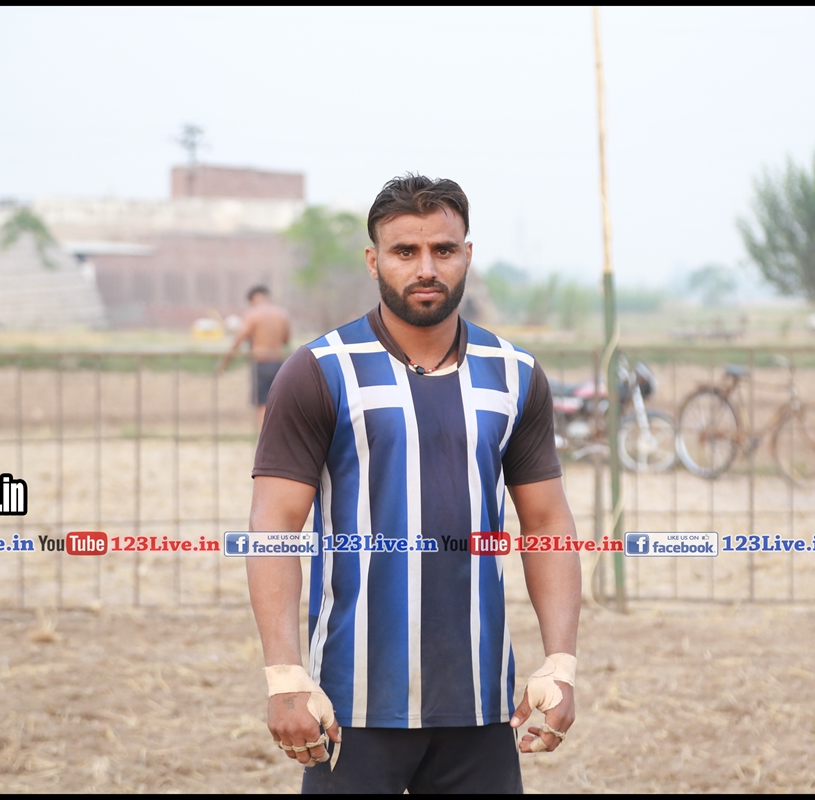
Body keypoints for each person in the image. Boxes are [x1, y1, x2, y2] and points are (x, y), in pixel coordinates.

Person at [245, 174, 582, 794]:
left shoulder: (515, 373)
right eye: (405, 251)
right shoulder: (320, 370)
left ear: (467, 256)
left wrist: (560, 662)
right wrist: (285, 675)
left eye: (443, 250)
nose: (426, 268)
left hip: (481, 704)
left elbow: (546, 522)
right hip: (349, 705)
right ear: (374, 260)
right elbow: (274, 524)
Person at [219, 285, 291, 431]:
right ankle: (278, 434)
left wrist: (225, 362)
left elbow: (239, 339)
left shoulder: (253, 315)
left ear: (252, 299)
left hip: (261, 363)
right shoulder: (282, 314)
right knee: (277, 401)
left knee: (261, 403)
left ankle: (264, 435)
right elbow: (286, 339)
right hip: (278, 362)